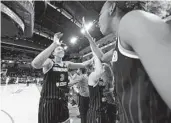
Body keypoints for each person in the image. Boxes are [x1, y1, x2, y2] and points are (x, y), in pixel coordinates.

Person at [83, 1, 171, 123]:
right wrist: (88, 37)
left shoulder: (130, 21)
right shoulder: (120, 41)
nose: (98, 21)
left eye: (99, 15)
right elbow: (102, 57)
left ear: (112, 8)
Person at [31, 32, 92, 123]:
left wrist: (94, 55)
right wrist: (54, 44)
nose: (61, 50)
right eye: (58, 49)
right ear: (53, 53)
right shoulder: (49, 62)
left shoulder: (66, 64)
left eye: (62, 49)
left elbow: (83, 64)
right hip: (49, 102)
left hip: (63, 100)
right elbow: (35, 64)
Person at [86, 51, 114, 123]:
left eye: (104, 68)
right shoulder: (92, 76)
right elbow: (99, 71)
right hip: (95, 112)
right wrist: (95, 54)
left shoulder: (108, 81)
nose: (103, 69)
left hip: (105, 111)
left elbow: (110, 91)